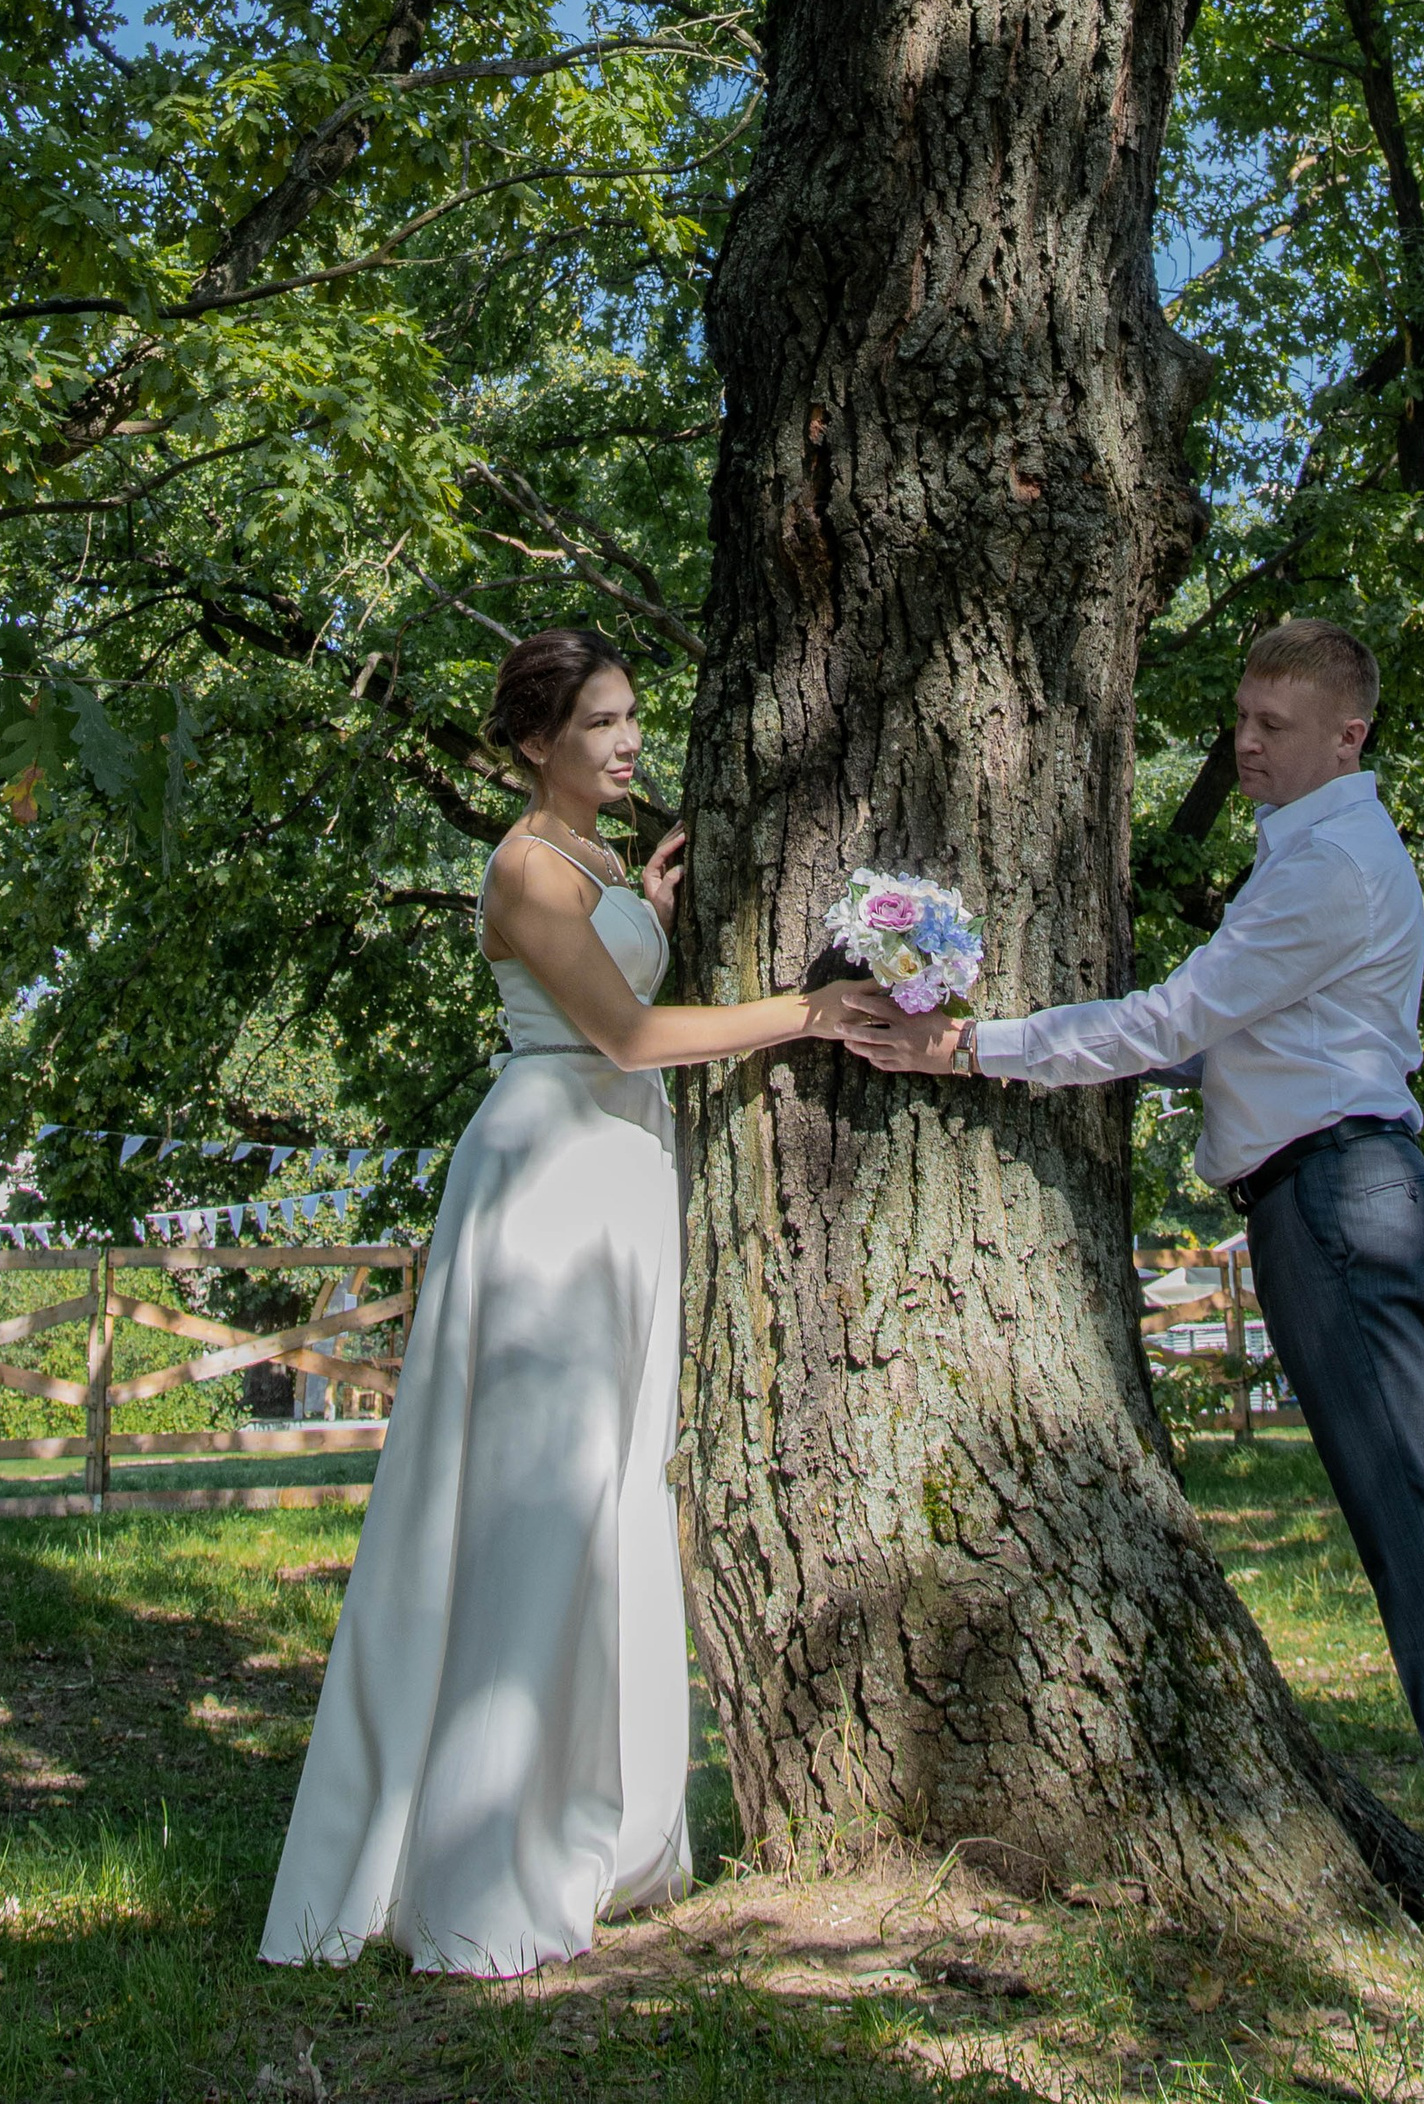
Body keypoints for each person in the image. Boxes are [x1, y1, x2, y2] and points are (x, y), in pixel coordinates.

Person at [836, 615, 1424, 1987]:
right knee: (1417, 1537)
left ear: (1349, 734)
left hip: (1342, 1209)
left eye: (1276, 724)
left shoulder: (1330, 865)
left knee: (1421, 1543)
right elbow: (1227, 1040)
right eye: (1241, 717)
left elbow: (1179, 1023)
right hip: (1329, 1196)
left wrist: (975, 1049)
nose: (1244, 742)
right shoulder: (1309, 854)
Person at [260, 623, 862, 1979]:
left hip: (619, 1177)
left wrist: (642, 915)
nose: (627, 741)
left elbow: (622, 989)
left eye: (631, 716)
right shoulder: (527, 866)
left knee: (607, 1495)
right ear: (535, 742)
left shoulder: (592, 866)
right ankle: (483, 1870)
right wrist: (806, 1012)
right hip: (547, 1184)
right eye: (598, 723)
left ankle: (601, 1816)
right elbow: (631, 1037)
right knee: (534, 1506)